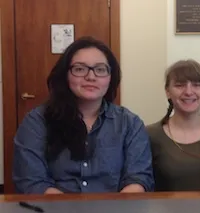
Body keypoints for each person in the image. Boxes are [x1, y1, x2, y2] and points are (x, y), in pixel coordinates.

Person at [13, 36, 154, 194]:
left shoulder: (130, 123)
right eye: (80, 69)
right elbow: (32, 181)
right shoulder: (37, 122)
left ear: (110, 77)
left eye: (100, 69)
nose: (91, 77)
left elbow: (139, 178)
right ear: (65, 75)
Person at [147, 59, 200, 191]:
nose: (188, 91)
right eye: (180, 85)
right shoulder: (150, 135)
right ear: (167, 91)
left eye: (197, 85)